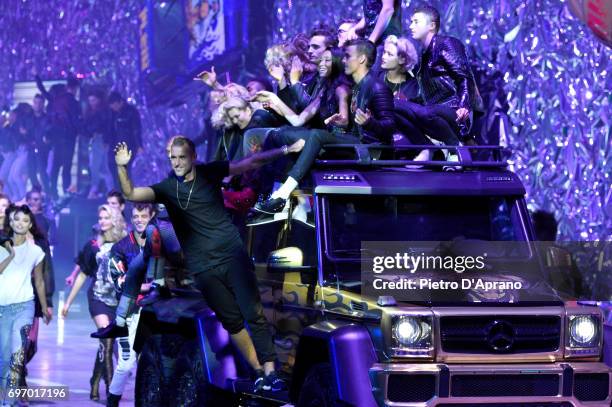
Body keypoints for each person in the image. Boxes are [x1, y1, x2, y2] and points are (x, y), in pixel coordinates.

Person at [113, 135, 304, 392]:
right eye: (173, 158)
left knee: (254, 313)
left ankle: (271, 370)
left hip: (233, 256)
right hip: (203, 267)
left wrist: (285, 149)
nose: (177, 162)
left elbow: (248, 162)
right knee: (232, 320)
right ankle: (259, 371)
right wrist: (122, 167)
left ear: (192, 157)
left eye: (182, 157)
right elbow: (130, 192)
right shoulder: (168, 188)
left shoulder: (208, 173)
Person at [255, 38, 395, 214]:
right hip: (353, 140)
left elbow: (389, 127)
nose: (343, 60)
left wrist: (369, 122)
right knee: (286, 134)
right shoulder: (358, 86)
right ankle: (277, 196)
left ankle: (283, 195)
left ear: (361, 59)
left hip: (369, 148)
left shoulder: (377, 87)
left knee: (315, 135)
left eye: (347, 56)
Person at [62, 205, 127, 401]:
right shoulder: (93, 245)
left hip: (117, 300)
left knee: (105, 343)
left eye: (106, 217)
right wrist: (67, 303)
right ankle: (110, 391)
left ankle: (94, 380)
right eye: (100, 218)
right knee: (107, 342)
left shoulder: (125, 241)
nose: (102, 221)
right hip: (97, 297)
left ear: (114, 219)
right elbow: (82, 275)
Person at [406, 4, 484, 159]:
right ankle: (428, 149)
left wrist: (463, 105)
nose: (410, 26)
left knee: (426, 112)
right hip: (435, 110)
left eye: (416, 22)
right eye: (411, 22)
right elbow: (431, 92)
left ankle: (454, 147)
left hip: (455, 110)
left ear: (431, 25)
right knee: (398, 108)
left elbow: (464, 77)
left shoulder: (446, 44)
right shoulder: (424, 57)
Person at [102, 203, 155, 407]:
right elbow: (121, 283)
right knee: (125, 363)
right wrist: (150, 286)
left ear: (151, 217)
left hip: (156, 313)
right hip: (129, 313)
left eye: (144, 215)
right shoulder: (121, 247)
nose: (139, 219)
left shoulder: (162, 245)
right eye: (136, 216)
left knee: (150, 361)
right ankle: (112, 403)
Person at [0, 205, 52, 404]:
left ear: (30, 224)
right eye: (17, 219)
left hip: (25, 307)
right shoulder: (1, 245)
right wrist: (11, 254)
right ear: (11, 222)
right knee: (4, 358)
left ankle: (10, 402)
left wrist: (45, 306)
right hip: (3, 308)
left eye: (25, 220)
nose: (20, 223)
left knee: (17, 356)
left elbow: (38, 280)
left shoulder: (36, 251)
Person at [35, 75, 82, 199]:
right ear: (75, 89)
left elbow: (43, 91)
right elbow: (77, 122)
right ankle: (67, 196)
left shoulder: (56, 100)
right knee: (66, 169)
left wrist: (37, 77)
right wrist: (83, 132)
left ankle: (54, 195)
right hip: (69, 139)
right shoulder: (74, 103)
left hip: (57, 139)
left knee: (55, 168)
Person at [109, 92, 143, 189]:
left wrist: (139, 145)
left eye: (114, 105)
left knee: (125, 168)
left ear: (119, 102)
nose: (113, 108)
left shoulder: (130, 112)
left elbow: (136, 129)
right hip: (117, 144)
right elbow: (112, 129)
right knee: (116, 168)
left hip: (129, 144)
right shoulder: (114, 113)